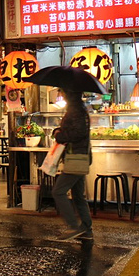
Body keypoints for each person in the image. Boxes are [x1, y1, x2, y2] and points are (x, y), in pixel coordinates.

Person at [52, 89, 93, 241]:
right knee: (78, 195)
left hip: (76, 157)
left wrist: (60, 135)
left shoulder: (76, 110)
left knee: (58, 191)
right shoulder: (80, 109)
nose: (62, 95)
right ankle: (86, 228)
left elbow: (78, 132)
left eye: (64, 92)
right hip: (80, 156)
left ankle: (73, 226)